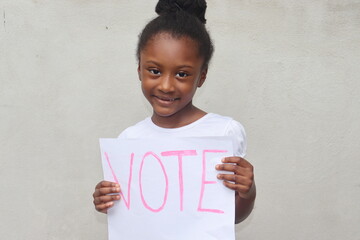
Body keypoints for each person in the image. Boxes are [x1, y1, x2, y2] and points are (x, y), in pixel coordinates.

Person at [93, 0, 256, 225]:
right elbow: (130, 216)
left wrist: (248, 192)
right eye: (155, 71)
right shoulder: (129, 141)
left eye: (182, 74)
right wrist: (108, 201)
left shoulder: (223, 132)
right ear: (139, 69)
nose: (166, 86)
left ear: (202, 77)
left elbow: (231, 218)